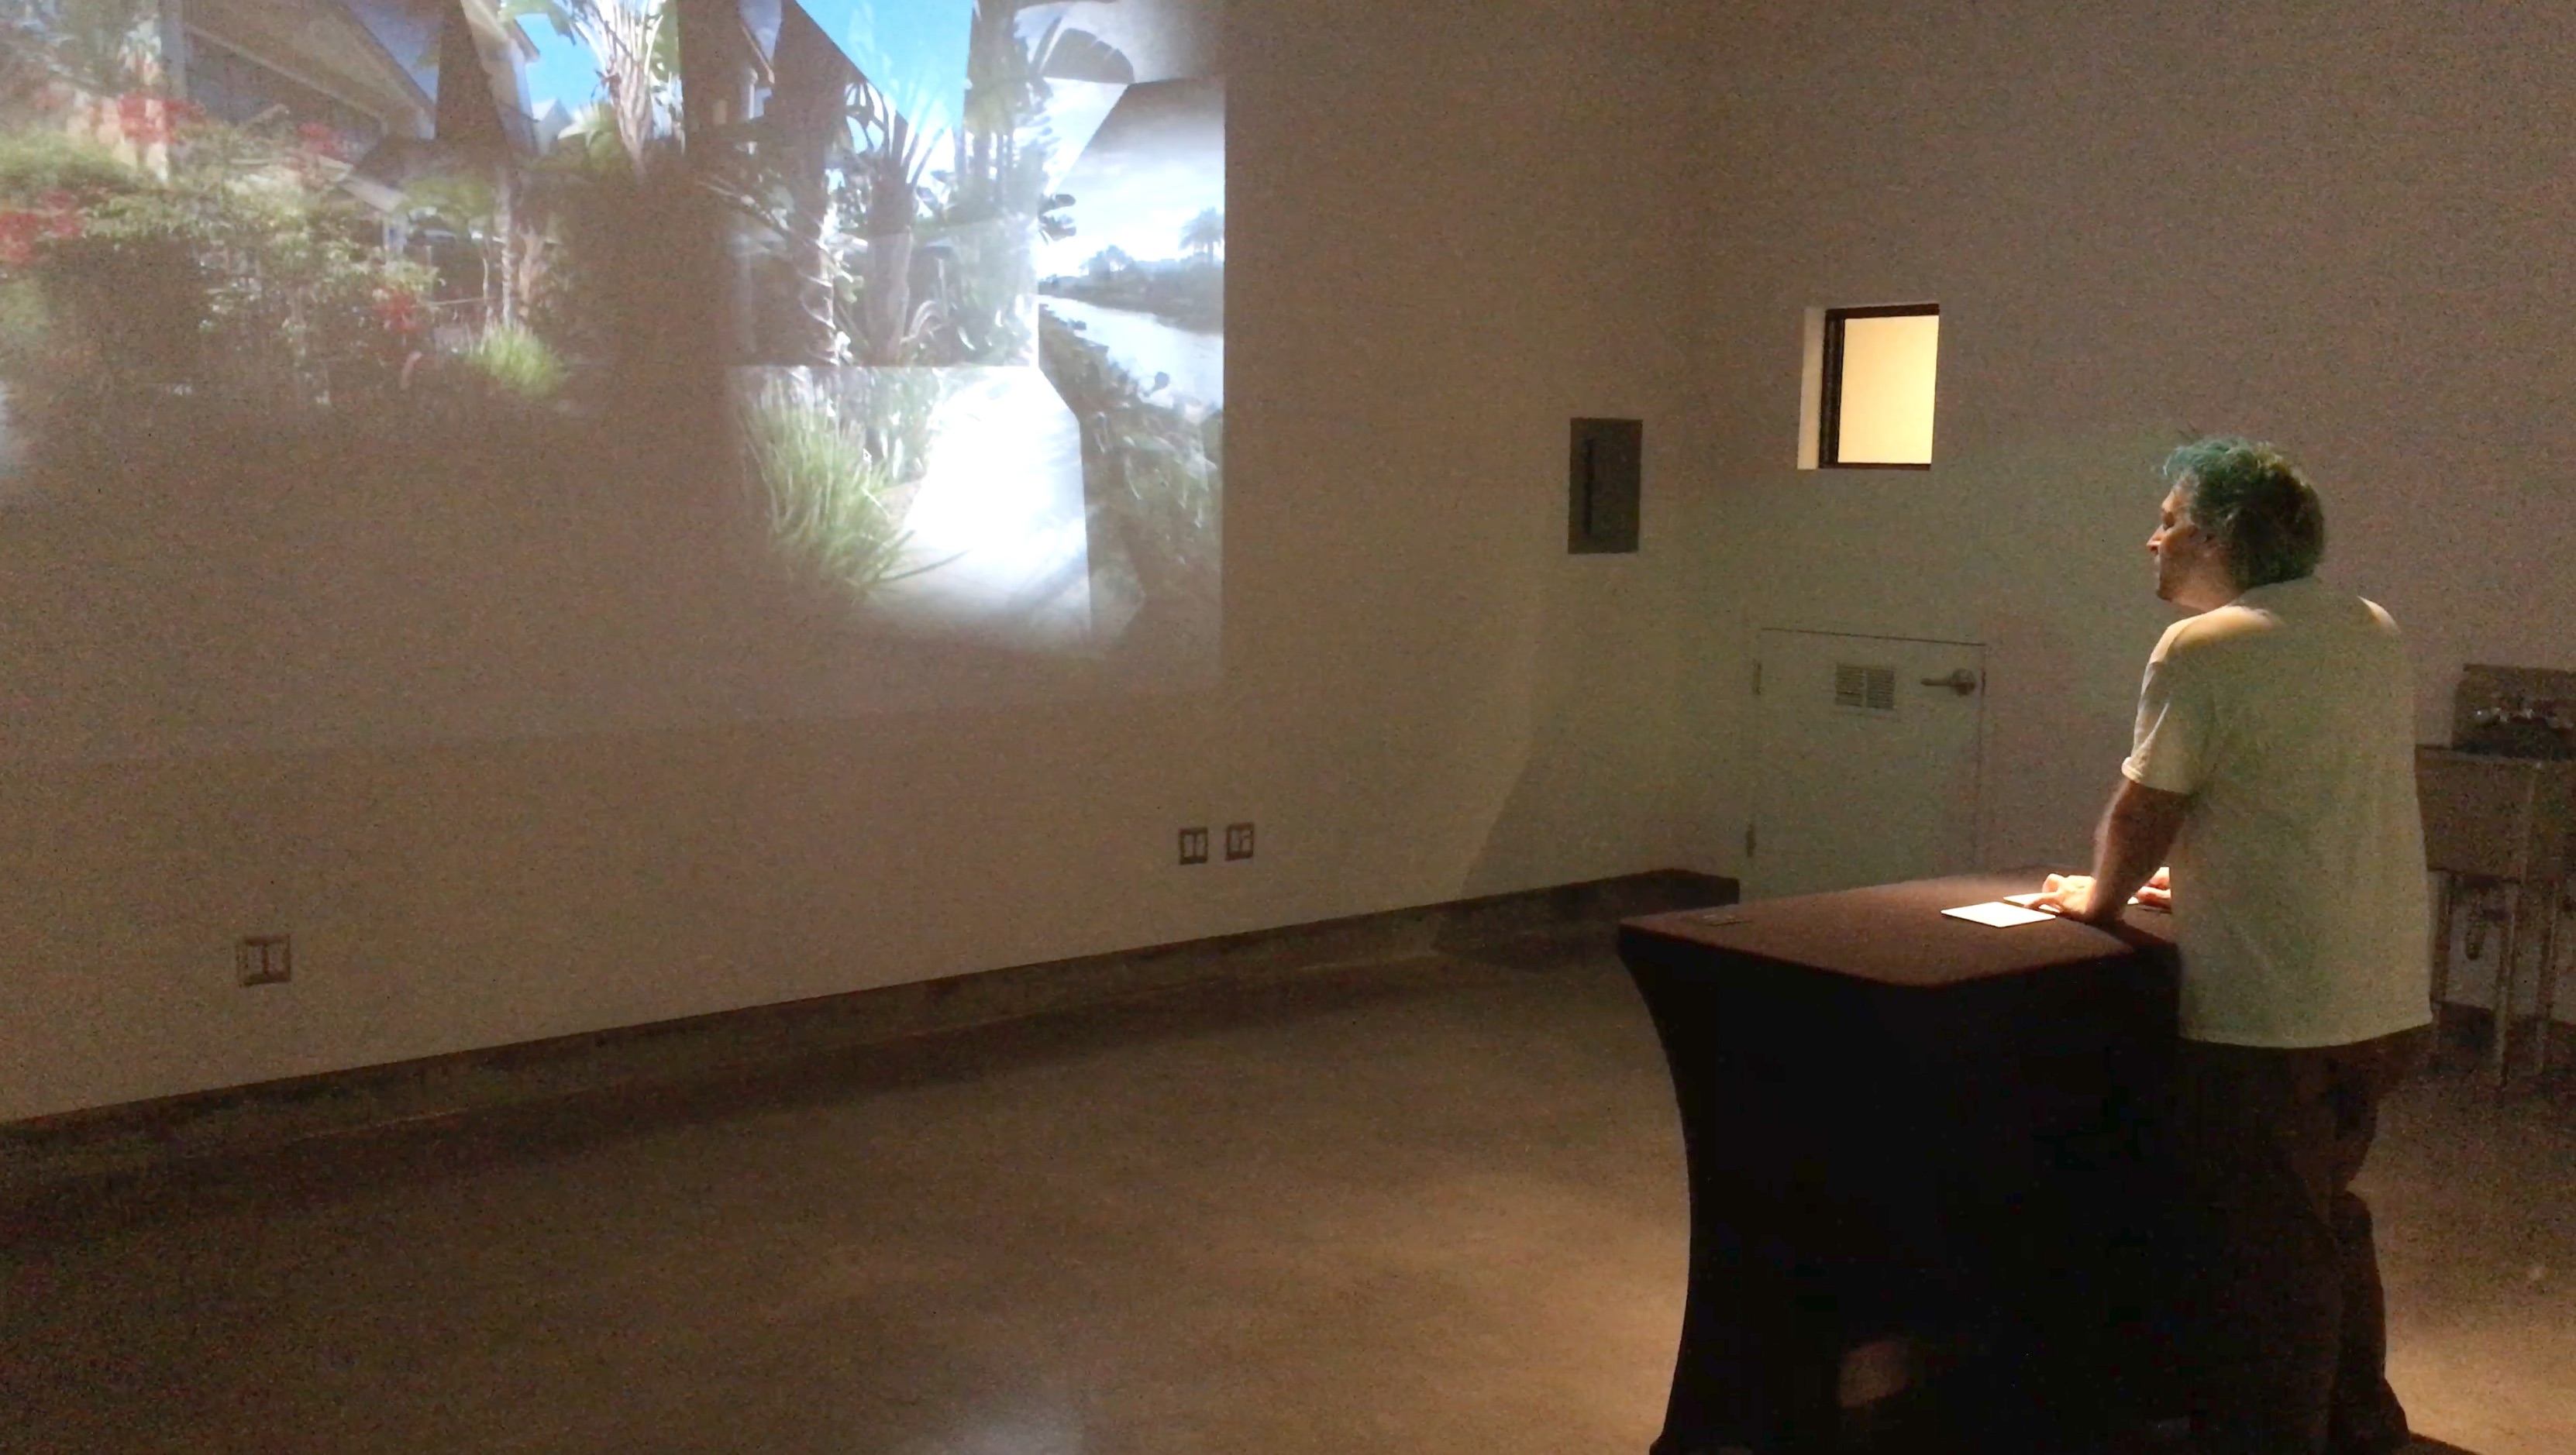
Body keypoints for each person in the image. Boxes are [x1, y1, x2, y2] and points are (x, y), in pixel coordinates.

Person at [2036, 437, 2431, 1455]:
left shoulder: (2202, 648)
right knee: (2327, 1213)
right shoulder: (2370, 628)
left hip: (2276, 1011)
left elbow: (2148, 807)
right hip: (2384, 995)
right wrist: (2212, 873)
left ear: (2217, 535)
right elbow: (2304, 795)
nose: (2153, 539)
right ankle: (2363, 1420)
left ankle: (2276, 1435)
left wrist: (2099, 899)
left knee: (2269, 1257)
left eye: (2169, 520)